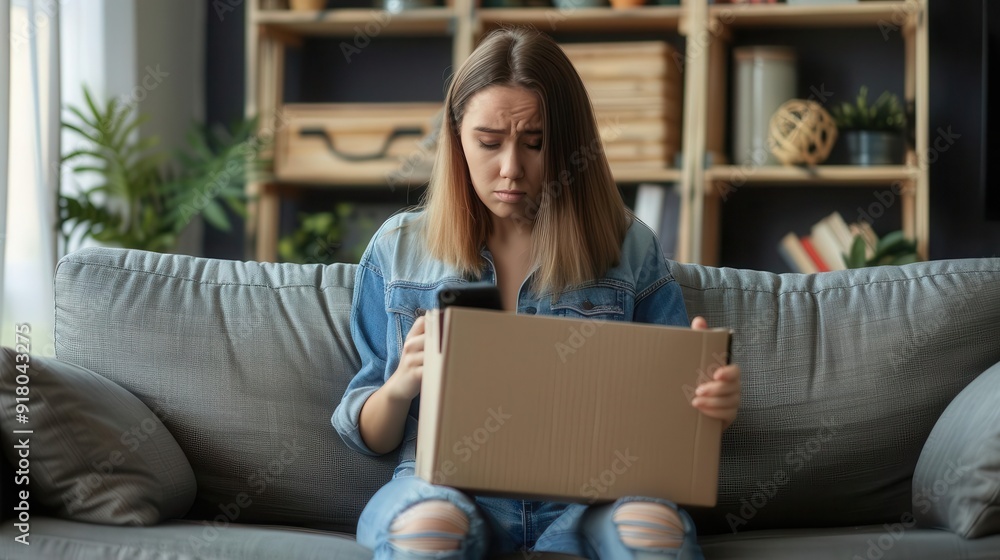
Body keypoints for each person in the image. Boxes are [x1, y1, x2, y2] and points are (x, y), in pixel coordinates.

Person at [332, 26, 741, 560]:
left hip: (593, 496)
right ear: (456, 137)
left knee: (652, 530)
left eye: (535, 143)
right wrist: (401, 385)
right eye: (488, 142)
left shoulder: (627, 245)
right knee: (428, 528)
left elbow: (670, 425)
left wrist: (710, 407)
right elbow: (370, 435)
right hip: (443, 488)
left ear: (570, 144)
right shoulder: (398, 248)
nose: (511, 169)